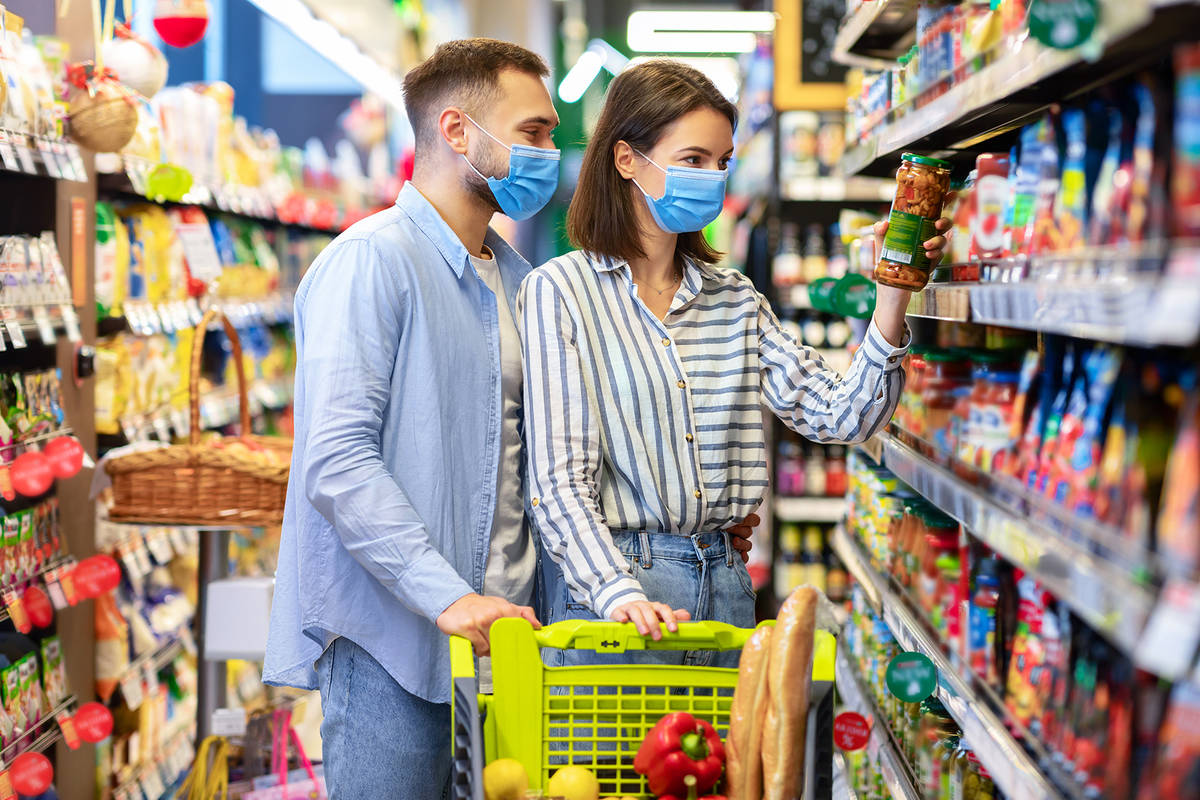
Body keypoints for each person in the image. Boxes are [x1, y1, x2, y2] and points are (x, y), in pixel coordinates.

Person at [519, 60, 949, 667]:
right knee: (611, 766)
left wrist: (892, 292)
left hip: (725, 589)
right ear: (626, 160)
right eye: (693, 160)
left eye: (722, 162)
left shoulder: (736, 298)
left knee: (725, 766)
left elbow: (842, 417)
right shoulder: (559, 292)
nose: (713, 178)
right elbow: (559, 480)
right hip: (613, 600)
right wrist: (618, 594)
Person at [261, 39, 560, 799]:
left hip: (502, 646)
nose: (548, 154)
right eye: (532, 133)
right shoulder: (373, 262)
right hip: (395, 644)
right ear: (457, 130)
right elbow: (338, 461)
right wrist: (445, 595)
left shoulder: (519, 282)